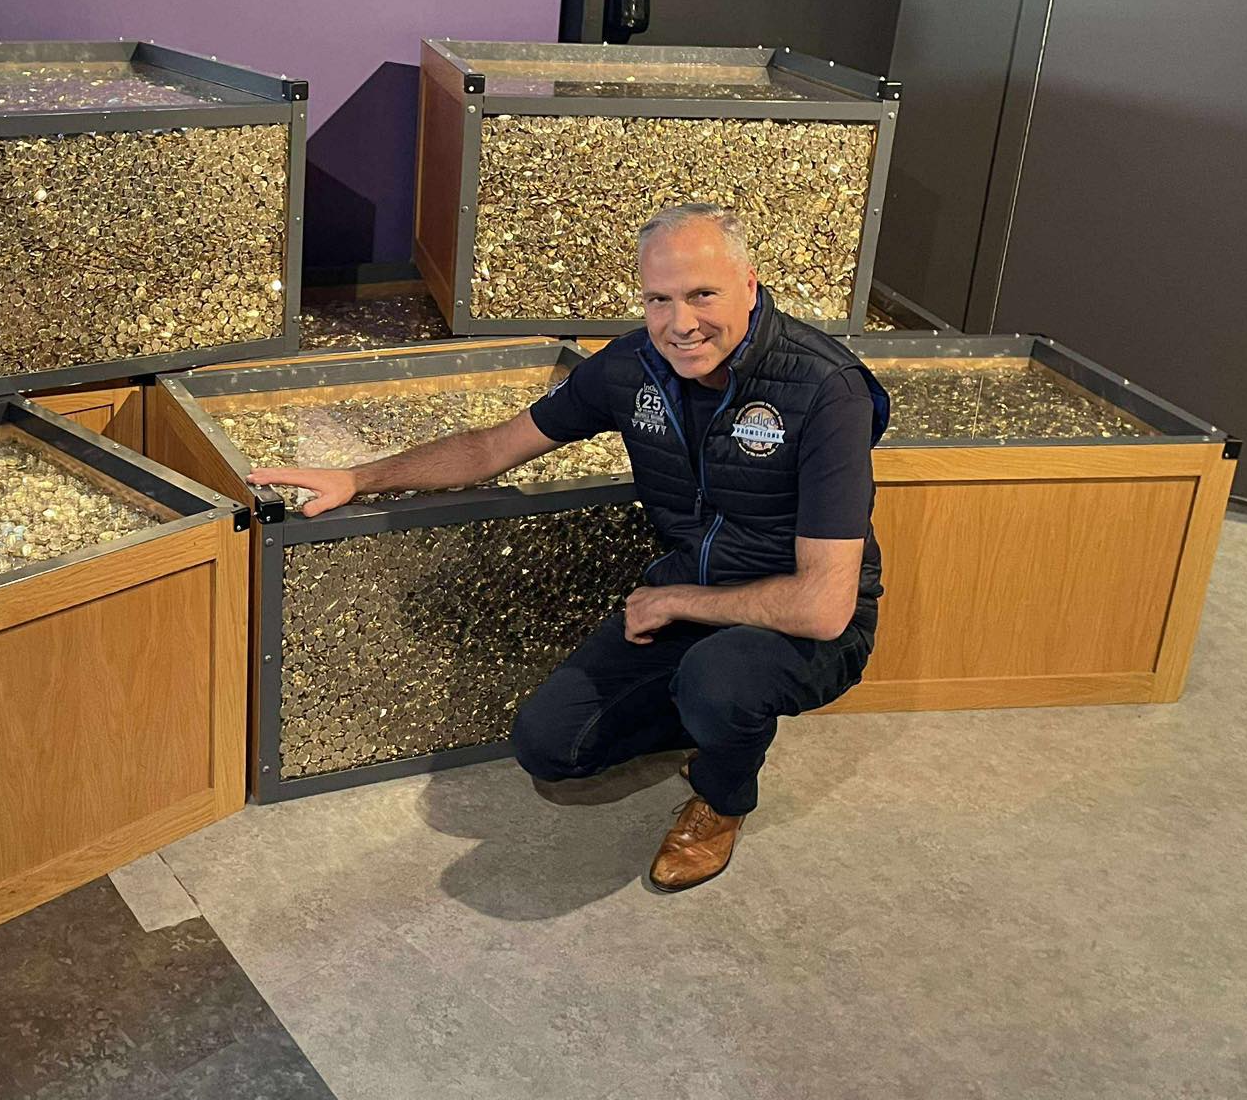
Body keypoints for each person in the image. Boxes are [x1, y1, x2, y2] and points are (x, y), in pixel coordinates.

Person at [248, 203, 888, 892]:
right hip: (689, 603)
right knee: (551, 746)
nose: (681, 323)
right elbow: (493, 448)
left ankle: (723, 793)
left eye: (703, 295)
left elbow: (823, 607)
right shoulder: (631, 367)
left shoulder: (826, 388)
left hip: (805, 628)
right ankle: (709, 712)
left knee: (723, 681)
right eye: (659, 299)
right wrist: (358, 477)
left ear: (750, 285)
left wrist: (674, 600)